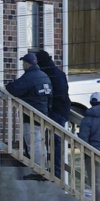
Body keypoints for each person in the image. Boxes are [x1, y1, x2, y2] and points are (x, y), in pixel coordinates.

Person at [6, 52, 52, 168]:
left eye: (24, 62)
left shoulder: (29, 77)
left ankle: (39, 169)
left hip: (31, 116)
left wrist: (8, 85)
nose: (23, 65)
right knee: (40, 142)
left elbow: (14, 89)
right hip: (44, 114)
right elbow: (51, 97)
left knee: (33, 143)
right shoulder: (44, 76)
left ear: (28, 63)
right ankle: (44, 167)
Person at [36, 49, 70, 178]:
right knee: (49, 142)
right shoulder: (54, 73)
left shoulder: (54, 74)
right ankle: (52, 169)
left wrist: (49, 104)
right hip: (55, 112)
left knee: (55, 143)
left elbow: (60, 95)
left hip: (58, 112)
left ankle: (56, 172)